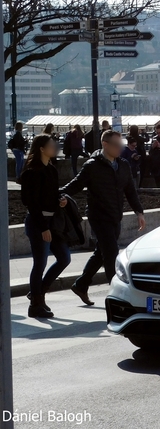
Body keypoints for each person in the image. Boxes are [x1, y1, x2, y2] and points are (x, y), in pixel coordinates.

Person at [61, 130, 146, 306]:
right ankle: (118, 296)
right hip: (98, 216)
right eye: (117, 145)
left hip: (115, 216)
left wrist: (139, 212)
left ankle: (81, 285)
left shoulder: (123, 165)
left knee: (101, 252)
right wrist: (58, 195)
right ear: (105, 145)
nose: (120, 149)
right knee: (111, 254)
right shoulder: (92, 166)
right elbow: (76, 184)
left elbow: (130, 190)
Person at [20, 134, 71, 318]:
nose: (55, 147)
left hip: (53, 222)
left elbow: (52, 193)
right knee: (40, 263)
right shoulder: (32, 171)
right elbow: (30, 202)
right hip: (38, 223)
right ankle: (36, 305)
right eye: (52, 145)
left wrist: (60, 200)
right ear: (42, 148)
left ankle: (38, 291)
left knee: (64, 258)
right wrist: (43, 227)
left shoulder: (51, 169)